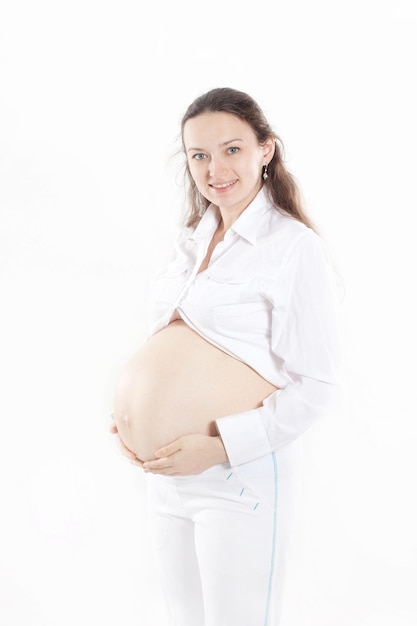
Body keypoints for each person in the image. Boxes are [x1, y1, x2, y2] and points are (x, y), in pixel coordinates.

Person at [110, 86, 341, 626]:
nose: (215, 168)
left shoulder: (294, 247)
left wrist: (216, 450)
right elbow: (168, 348)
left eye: (232, 149)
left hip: (240, 479)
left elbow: (319, 386)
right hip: (167, 478)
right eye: (199, 154)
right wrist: (128, 420)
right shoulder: (192, 239)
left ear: (267, 149)